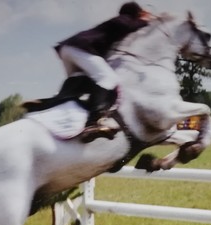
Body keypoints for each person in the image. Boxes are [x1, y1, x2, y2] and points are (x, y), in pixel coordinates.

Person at [55, 2, 152, 141]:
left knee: (79, 81)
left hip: (67, 50)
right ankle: (93, 123)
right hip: (79, 48)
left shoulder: (113, 26)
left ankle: (50, 103)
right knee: (108, 78)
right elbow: (130, 26)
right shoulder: (123, 20)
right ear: (134, 14)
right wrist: (145, 21)